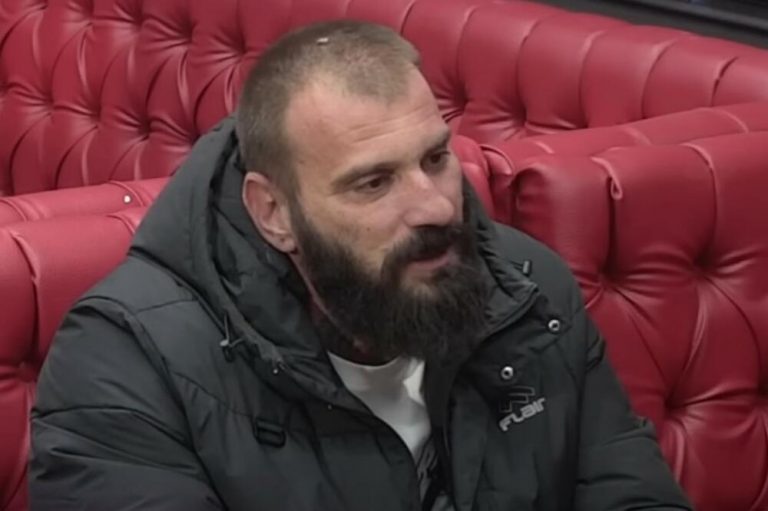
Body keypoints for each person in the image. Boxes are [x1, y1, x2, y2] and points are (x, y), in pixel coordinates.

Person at [29, 20, 692, 511]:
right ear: (273, 213)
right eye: (373, 183)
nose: (436, 207)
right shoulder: (126, 362)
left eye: (435, 159)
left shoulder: (524, 289)